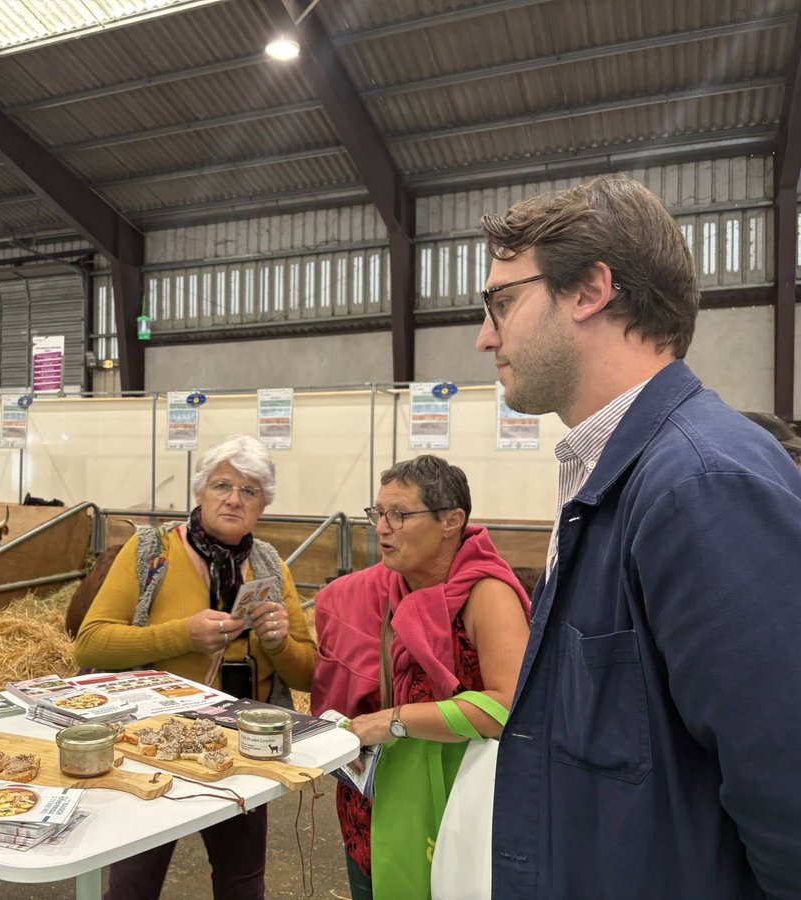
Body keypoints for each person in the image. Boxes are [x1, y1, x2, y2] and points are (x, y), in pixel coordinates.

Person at [474, 174, 801, 897]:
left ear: (591, 290)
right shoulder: (620, 476)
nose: (485, 335)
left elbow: (788, 798)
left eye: (502, 302)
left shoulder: (701, 485)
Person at [74, 434, 315, 900]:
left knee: (243, 883)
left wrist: (279, 643)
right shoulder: (152, 550)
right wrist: (183, 635)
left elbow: (306, 675)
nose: (234, 499)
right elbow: (91, 644)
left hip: (242, 746)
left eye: (249, 491)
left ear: (263, 505)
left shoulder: (268, 563)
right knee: (134, 885)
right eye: (222, 485)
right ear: (200, 492)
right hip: (152, 745)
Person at [310, 455, 530, 899]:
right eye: (378, 513)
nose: (382, 528)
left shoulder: (486, 594)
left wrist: (395, 720)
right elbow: (334, 678)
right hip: (370, 804)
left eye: (400, 515)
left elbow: (510, 706)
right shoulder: (376, 589)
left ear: (451, 520)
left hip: (456, 807)